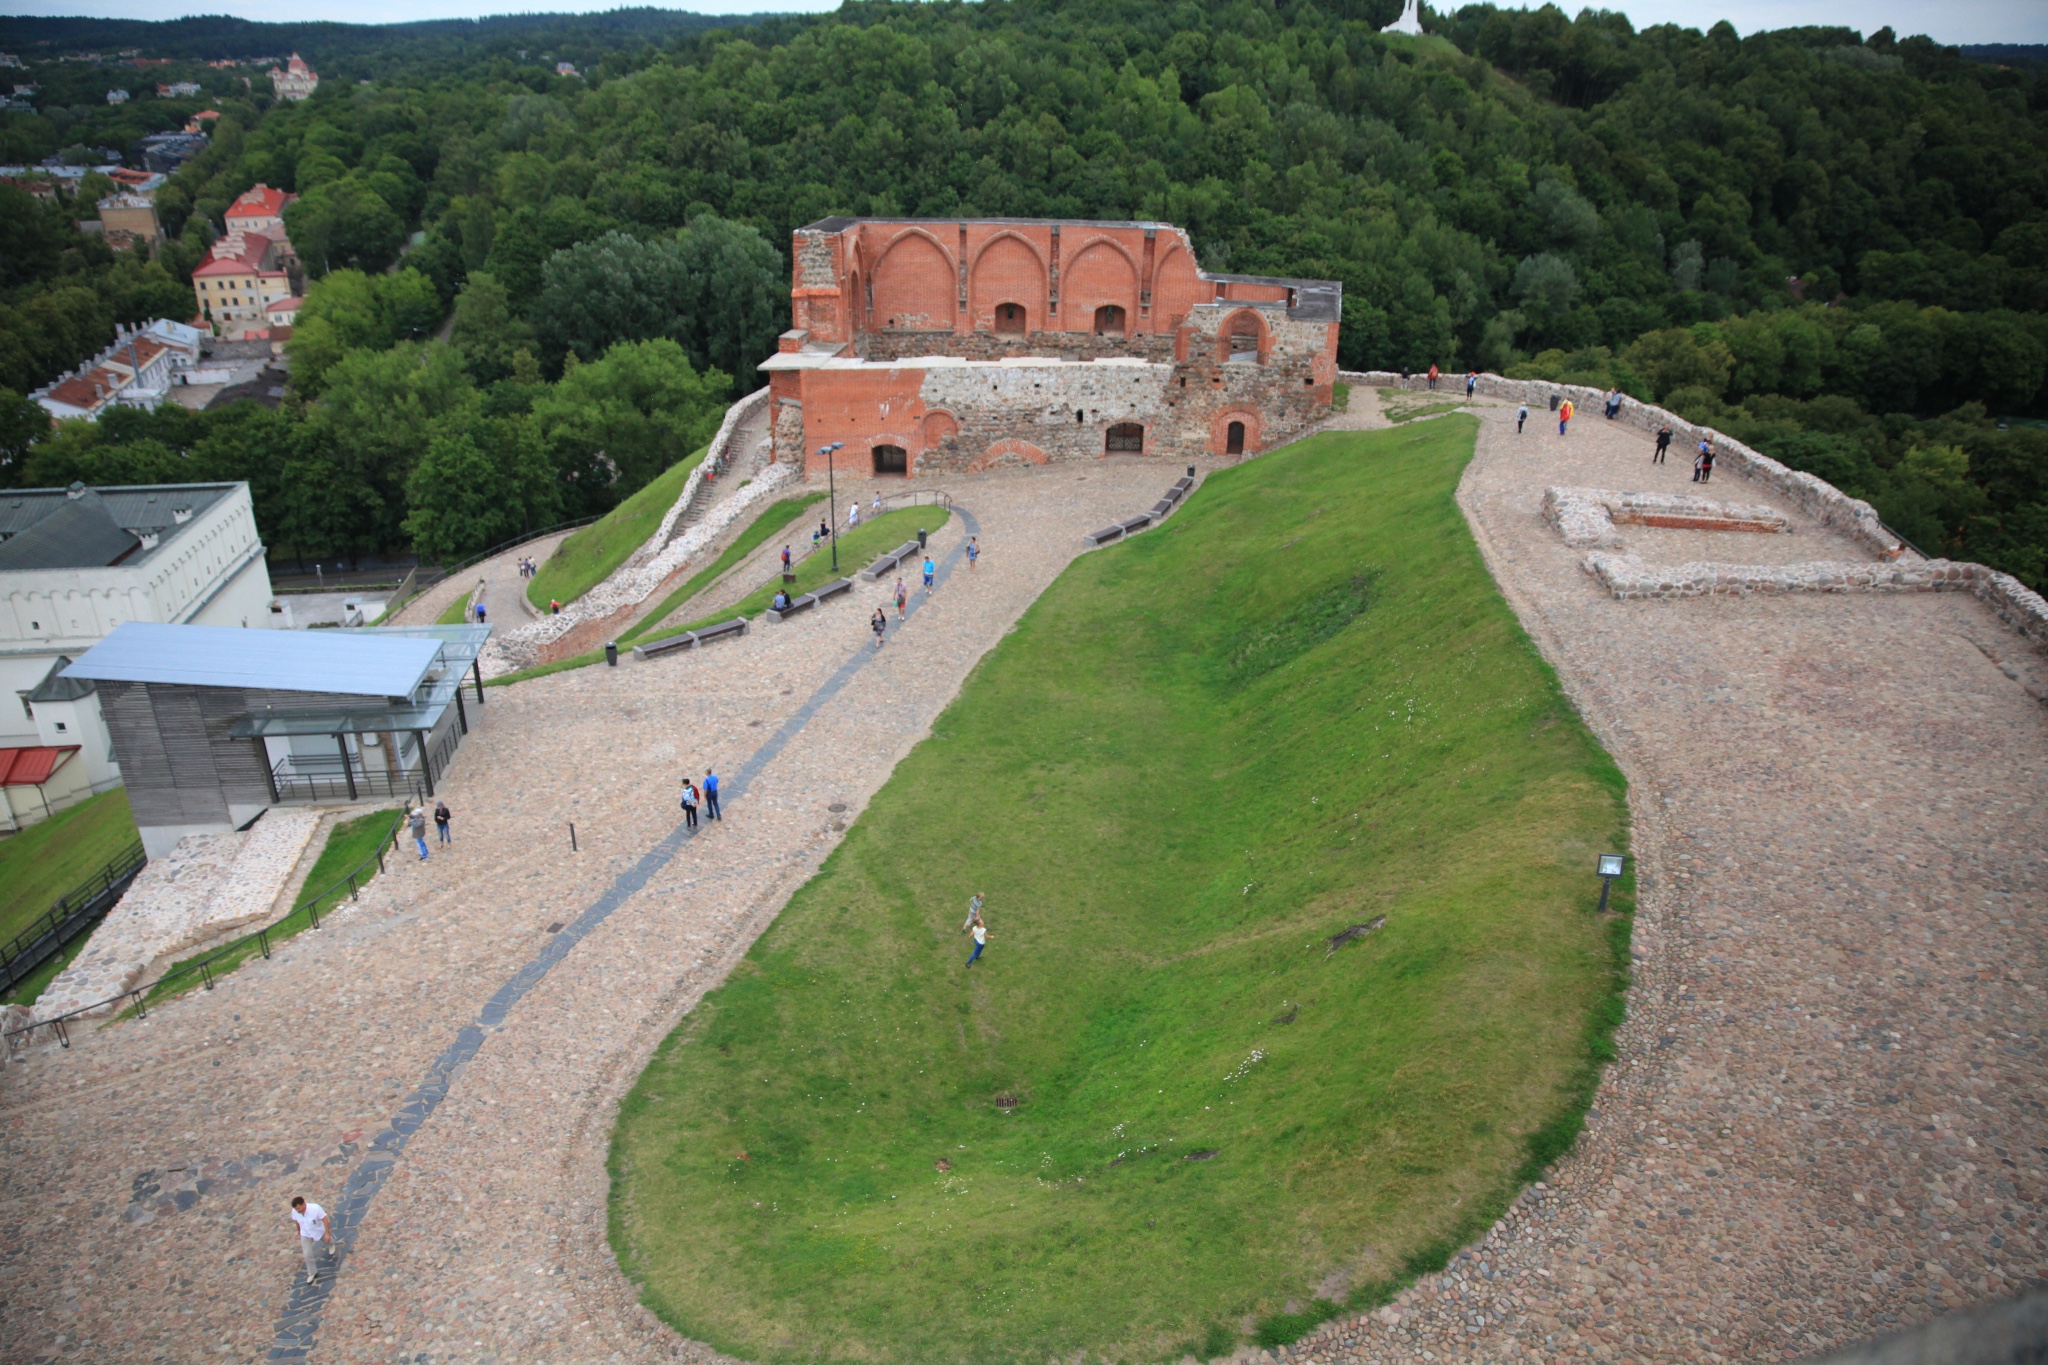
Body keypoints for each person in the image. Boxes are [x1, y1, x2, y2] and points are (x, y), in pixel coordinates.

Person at [290, 1196, 331, 1285]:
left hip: (318, 1230)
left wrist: (327, 1233)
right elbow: (297, 1221)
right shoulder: (295, 1211)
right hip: (305, 1233)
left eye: (299, 1208)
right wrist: (299, 1230)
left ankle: (331, 1245)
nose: (298, 1210)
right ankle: (312, 1272)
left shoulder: (315, 1208)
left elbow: (325, 1219)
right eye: (296, 1209)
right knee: (307, 1254)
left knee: (327, 1240)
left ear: (303, 1204)